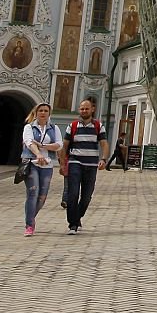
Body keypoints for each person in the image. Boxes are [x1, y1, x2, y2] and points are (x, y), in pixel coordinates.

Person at [59, 98, 109, 235]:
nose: (84, 111)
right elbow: (65, 145)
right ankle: (72, 224)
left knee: (87, 195)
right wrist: (63, 164)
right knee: (73, 193)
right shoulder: (73, 126)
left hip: (91, 164)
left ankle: (77, 217)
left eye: (86, 108)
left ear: (92, 109)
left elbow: (104, 144)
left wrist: (104, 159)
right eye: (82, 108)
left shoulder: (98, 126)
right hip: (75, 162)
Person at [20, 103, 62, 236]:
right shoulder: (29, 127)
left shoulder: (54, 128)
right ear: (36, 112)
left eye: (45, 111)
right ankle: (29, 225)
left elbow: (59, 145)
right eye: (40, 111)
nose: (43, 113)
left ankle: (30, 217)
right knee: (33, 193)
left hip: (47, 165)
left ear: (49, 113)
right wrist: (38, 154)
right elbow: (29, 142)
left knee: (42, 197)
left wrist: (43, 145)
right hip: (32, 163)